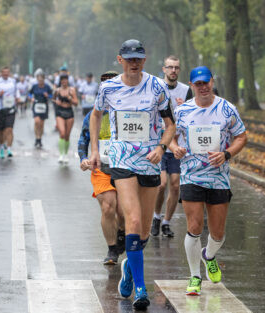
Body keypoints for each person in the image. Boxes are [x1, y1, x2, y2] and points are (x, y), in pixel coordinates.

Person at [89, 39, 175, 310]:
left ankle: (129, 268)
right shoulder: (108, 88)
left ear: (145, 60)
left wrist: (162, 147)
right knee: (133, 220)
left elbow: (171, 124)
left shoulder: (158, 87)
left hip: (150, 160)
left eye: (139, 58)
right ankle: (140, 288)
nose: (134, 62)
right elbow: (95, 115)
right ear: (120, 60)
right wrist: (94, 150)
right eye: (129, 58)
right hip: (122, 161)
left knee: (145, 230)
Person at [169, 66, 247, 296]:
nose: (202, 87)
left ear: (212, 82)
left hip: (218, 178)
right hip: (191, 175)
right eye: (198, 84)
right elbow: (170, 137)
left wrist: (227, 154)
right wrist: (175, 148)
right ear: (191, 85)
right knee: (194, 227)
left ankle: (208, 256)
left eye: (206, 82)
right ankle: (194, 276)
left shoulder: (227, 109)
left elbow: (241, 136)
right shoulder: (182, 111)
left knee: (218, 234)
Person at [79, 70, 125, 264]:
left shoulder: (127, 111)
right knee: (108, 207)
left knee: (123, 212)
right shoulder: (93, 114)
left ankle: (122, 232)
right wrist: (83, 158)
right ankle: (112, 249)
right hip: (101, 167)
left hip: (124, 167)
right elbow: (83, 139)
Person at [151, 55, 193, 238]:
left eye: (176, 67)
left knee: (175, 186)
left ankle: (167, 222)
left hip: (178, 147)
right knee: (161, 184)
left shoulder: (186, 91)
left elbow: (193, 115)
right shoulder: (155, 88)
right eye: (170, 67)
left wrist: (186, 108)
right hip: (160, 144)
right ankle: (156, 217)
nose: (173, 71)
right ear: (164, 69)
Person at [0, 67, 20, 159]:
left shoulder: (13, 81)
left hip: (10, 108)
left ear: (9, 73)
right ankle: (2, 146)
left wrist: (17, 98)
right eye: (4, 73)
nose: (6, 74)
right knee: (0, 131)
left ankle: (9, 149)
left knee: (9, 129)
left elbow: (16, 92)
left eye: (7, 72)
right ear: (1, 73)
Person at [54, 74, 78, 163]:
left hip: (69, 112)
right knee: (62, 133)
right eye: (62, 80)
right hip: (60, 112)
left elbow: (76, 103)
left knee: (67, 135)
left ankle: (66, 154)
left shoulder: (71, 90)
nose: (64, 82)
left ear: (68, 81)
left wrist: (70, 99)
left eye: (65, 80)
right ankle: (61, 155)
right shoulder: (57, 90)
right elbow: (53, 100)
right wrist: (57, 102)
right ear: (60, 81)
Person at [29, 69, 52, 149]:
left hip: (44, 106)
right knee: (37, 122)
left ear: (43, 79)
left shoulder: (47, 87)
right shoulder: (34, 86)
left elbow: (52, 96)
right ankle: (37, 137)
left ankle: (40, 139)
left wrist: (48, 96)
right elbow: (30, 94)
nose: (40, 81)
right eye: (38, 80)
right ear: (37, 79)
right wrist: (31, 98)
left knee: (41, 124)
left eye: (41, 79)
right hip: (36, 105)